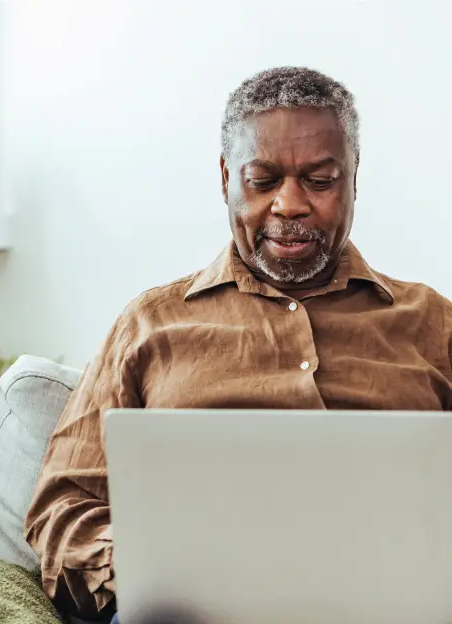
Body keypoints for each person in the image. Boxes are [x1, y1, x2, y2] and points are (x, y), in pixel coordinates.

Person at [25, 66, 452, 623]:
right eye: (263, 180)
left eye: (320, 180)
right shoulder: (149, 326)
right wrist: (141, 568)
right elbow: (62, 509)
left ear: (353, 179)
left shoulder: (434, 323)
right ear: (227, 176)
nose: (290, 205)